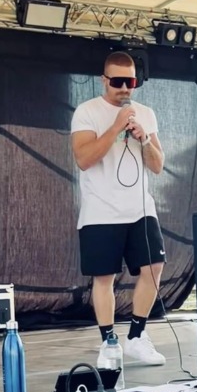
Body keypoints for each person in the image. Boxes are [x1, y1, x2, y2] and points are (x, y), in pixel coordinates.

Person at [71, 51, 166, 367]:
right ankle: (109, 342)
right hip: (101, 210)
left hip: (140, 208)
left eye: (131, 82)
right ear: (104, 80)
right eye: (118, 82)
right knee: (104, 278)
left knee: (154, 267)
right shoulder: (87, 112)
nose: (125, 88)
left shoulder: (146, 114)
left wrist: (144, 139)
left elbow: (158, 165)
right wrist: (115, 128)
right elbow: (83, 159)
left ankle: (137, 336)